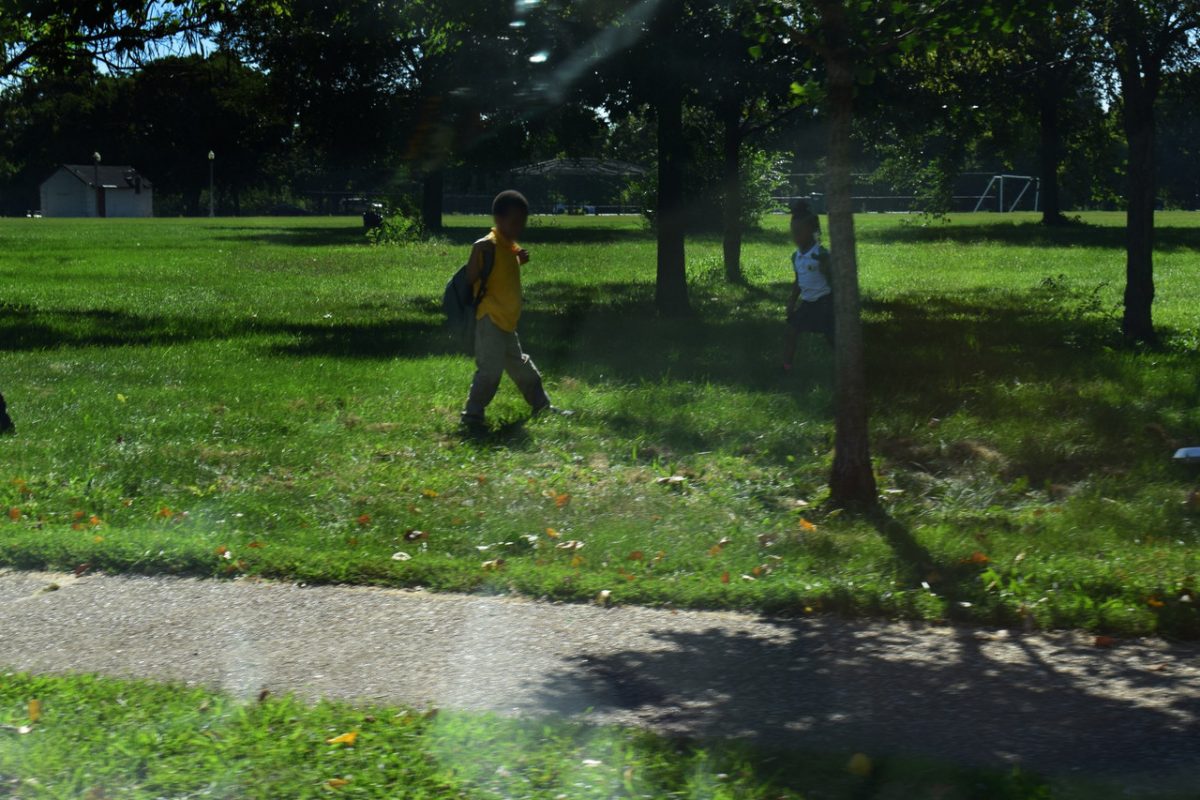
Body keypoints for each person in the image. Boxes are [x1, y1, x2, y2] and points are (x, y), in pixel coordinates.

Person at [460, 190, 566, 429]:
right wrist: (476, 252)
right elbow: (471, 277)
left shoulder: (509, 246)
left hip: (507, 323)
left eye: (522, 223)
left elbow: (503, 267)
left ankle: (542, 405)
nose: (519, 228)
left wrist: (519, 259)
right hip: (489, 319)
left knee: (522, 367)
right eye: (514, 222)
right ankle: (472, 415)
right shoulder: (487, 245)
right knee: (490, 372)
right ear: (498, 219)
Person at [783, 200, 834, 371]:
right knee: (791, 332)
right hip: (807, 304)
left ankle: (845, 364)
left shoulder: (820, 254)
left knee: (832, 336)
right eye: (793, 232)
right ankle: (786, 367)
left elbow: (832, 279)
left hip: (825, 303)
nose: (795, 236)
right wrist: (791, 302)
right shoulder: (795, 257)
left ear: (812, 232)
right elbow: (798, 280)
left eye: (799, 232)